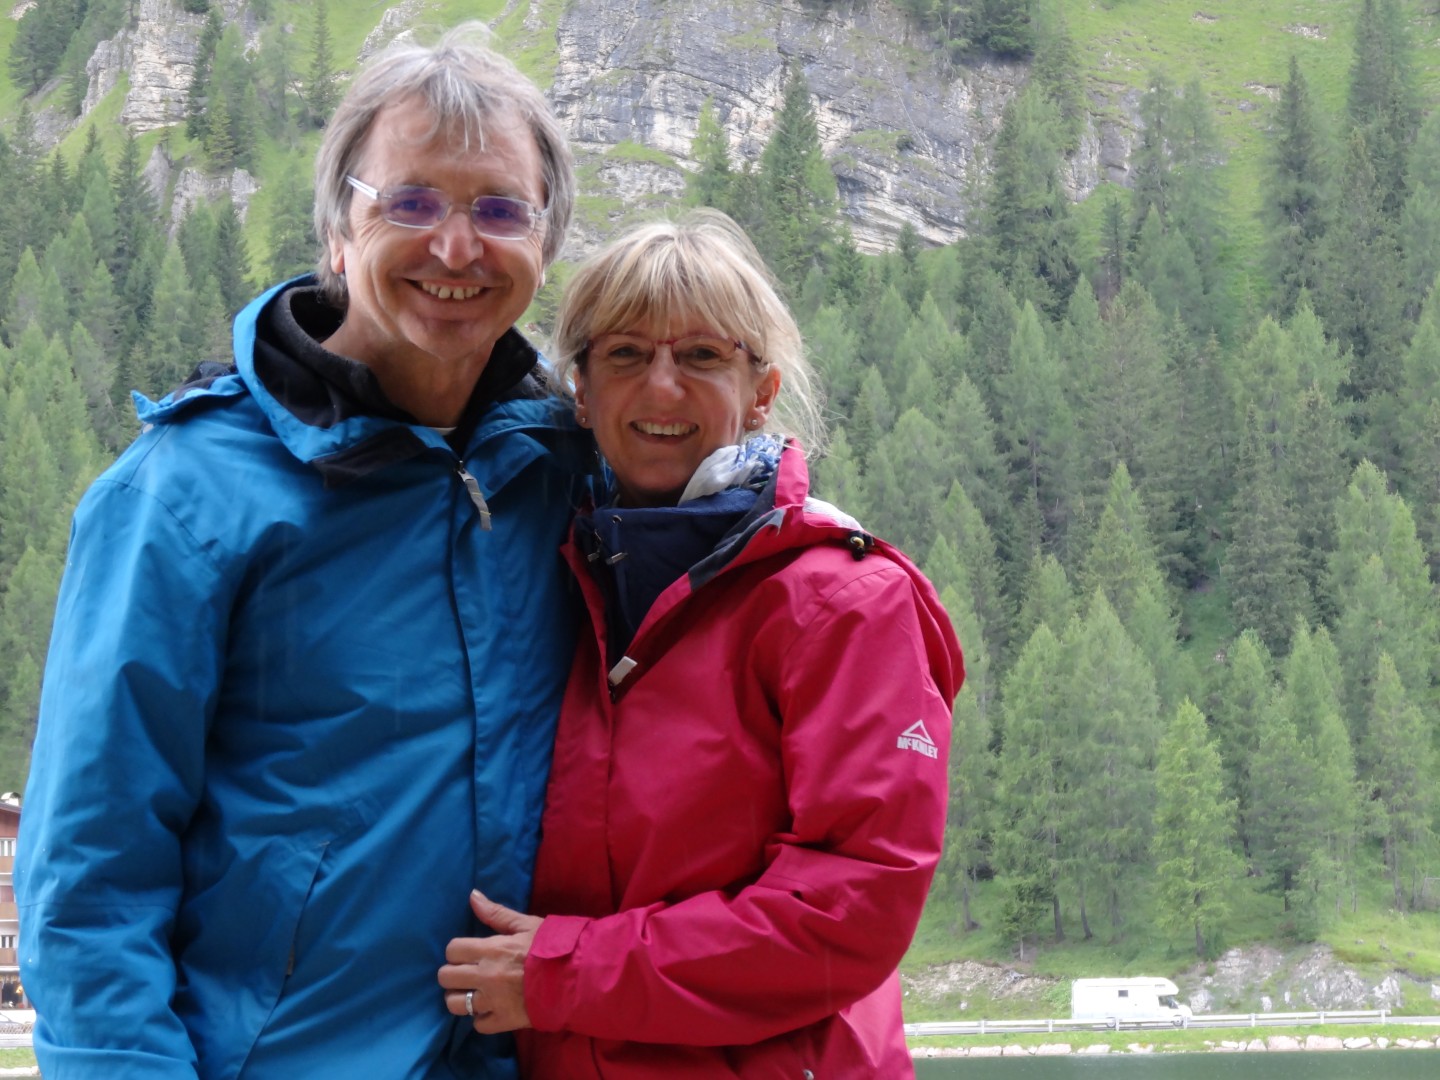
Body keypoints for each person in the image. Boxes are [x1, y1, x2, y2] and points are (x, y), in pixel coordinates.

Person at [16, 24, 591, 1080]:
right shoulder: (182, 495)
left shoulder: (570, 470)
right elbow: (92, 879)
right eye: (410, 203)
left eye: (499, 210)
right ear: (336, 230)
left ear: (544, 244)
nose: (456, 248)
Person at [438, 210, 965, 1077]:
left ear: (762, 391)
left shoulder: (843, 604)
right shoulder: (553, 581)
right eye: (625, 354)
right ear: (581, 390)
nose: (661, 387)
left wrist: (562, 975)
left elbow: (850, 911)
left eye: (702, 356)